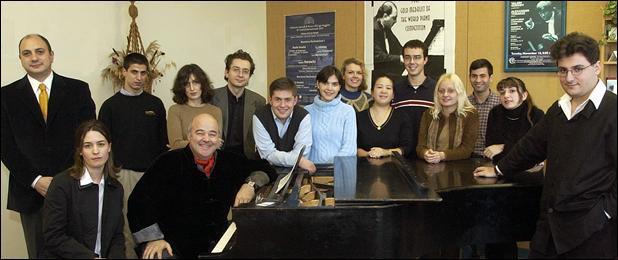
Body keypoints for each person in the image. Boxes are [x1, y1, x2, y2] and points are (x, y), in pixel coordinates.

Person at [474, 32, 617, 258]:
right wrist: (499, 169)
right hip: (549, 227)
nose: (569, 78)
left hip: (592, 234)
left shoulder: (613, 110)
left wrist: (604, 214)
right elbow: (530, 147)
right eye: (563, 70)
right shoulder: (558, 109)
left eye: (577, 69)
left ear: (597, 67)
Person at [128, 113, 276, 259]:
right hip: (173, 244)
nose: (206, 139)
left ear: (219, 139)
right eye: (200, 133)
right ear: (189, 135)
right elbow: (138, 201)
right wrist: (154, 238)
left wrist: (250, 185)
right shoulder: (167, 161)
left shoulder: (229, 160)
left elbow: (266, 168)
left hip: (218, 242)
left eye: (212, 134)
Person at [1, 34, 96, 258]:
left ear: (51, 55)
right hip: (31, 192)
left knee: (80, 253)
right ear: (20, 59)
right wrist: (36, 180)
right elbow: (5, 146)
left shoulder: (78, 90)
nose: (34, 58)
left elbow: (87, 138)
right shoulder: (5, 96)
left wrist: (64, 179)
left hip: (74, 188)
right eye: (27, 53)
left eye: (40, 51)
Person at [98, 52, 169, 258]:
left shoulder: (155, 104)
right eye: (134, 72)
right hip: (123, 174)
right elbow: (103, 145)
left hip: (152, 175)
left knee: (154, 223)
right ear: (123, 72)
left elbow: (162, 142)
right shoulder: (110, 106)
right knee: (127, 227)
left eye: (143, 73)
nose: (139, 77)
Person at [42, 120, 124, 258]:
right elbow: (54, 236)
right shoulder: (62, 184)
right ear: (80, 151)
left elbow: (117, 236)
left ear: (109, 147)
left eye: (101, 144)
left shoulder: (116, 188)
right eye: (88, 146)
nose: (96, 151)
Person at [253, 77, 316, 173]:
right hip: (265, 172)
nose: (282, 105)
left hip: (295, 172)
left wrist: (298, 160)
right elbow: (267, 154)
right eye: (278, 99)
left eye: (287, 100)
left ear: (295, 101)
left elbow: (302, 154)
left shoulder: (304, 116)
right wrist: (298, 160)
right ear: (270, 100)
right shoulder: (259, 117)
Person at [211, 49, 266, 159]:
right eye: (236, 70)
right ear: (226, 72)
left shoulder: (259, 101)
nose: (240, 75)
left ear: (249, 76)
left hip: (247, 158)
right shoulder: (211, 97)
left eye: (245, 71)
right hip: (217, 156)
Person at [416, 73, 479, 163]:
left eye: (450, 91)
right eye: (441, 91)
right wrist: (425, 153)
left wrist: (442, 155)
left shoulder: (470, 115)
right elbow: (420, 147)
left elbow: (467, 150)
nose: (445, 94)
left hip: (459, 168)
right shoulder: (429, 114)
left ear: (459, 92)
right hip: (430, 167)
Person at [392, 39, 437, 158]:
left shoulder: (437, 89)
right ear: (403, 60)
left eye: (417, 57)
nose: (412, 62)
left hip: (430, 155)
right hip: (401, 156)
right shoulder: (395, 89)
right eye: (407, 57)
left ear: (425, 60)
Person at [485, 77, 544, 164]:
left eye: (512, 91)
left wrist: (503, 148)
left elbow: (536, 149)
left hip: (528, 168)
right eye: (502, 92)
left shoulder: (536, 115)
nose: (506, 95)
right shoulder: (495, 113)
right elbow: (491, 148)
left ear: (524, 95)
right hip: (499, 165)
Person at [305, 65, 357, 164]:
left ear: (339, 87)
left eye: (334, 84)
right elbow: (303, 147)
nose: (329, 88)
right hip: (311, 170)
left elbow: (350, 148)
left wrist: (333, 166)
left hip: (340, 169)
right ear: (318, 84)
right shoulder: (306, 112)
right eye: (325, 83)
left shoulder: (348, 111)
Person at [357, 74, 413, 158]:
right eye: (379, 87)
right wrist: (369, 154)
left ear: (393, 95)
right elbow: (354, 147)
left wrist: (385, 152)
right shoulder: (359, 117)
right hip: (363, 167)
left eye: (388, 88)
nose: (383, 91)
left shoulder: (402, 117)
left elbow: (406, 148)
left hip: (394, 168)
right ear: (372, 92)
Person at [168, 64, 223, 149]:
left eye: (195, 82)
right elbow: (175, 144)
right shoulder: (175, 110)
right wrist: (206, 142)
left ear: (203, 84)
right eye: (186, 84)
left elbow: (216, 143)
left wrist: (187, 142)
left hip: (209, 160)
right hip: (182, 159)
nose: (192, 88)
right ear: (181, 88)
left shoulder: (215, 111)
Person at [467, 59, 500, 158]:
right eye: (474, 76)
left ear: (491, 78)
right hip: (466, 158)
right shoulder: (464, 104)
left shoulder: (500, 104)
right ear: (470, 78)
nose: (478, 80)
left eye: (482, 76)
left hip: (493, 158)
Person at [372, 1, 404, 80]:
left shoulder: (385, 28)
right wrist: (400, 58)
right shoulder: (374, 29)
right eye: (394, 18)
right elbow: (378, 56)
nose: (395, 21)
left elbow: (398, 47)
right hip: (378, 75)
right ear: (385, 16)